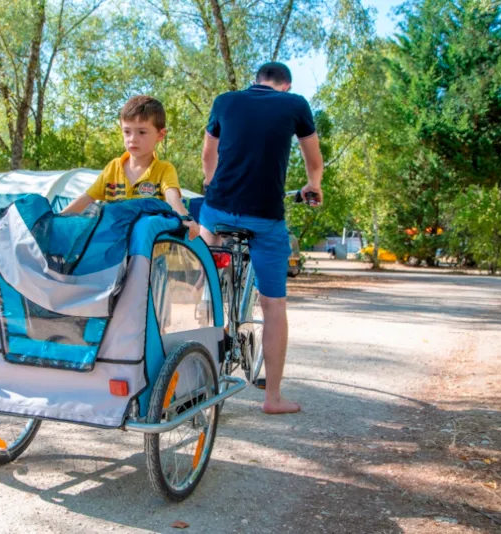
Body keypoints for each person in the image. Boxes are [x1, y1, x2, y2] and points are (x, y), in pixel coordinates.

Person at [200, 62, 324, 414]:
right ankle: (273, 399)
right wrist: (313, 186)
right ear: (285, 86)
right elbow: (313, 161)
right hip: (266, 216)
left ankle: (199, 357)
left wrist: (212, 183)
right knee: (273, 306)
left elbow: (209, 155)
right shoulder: (295, 104)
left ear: (256, 82)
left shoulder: (225, 101)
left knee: (205, 282)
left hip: (218, 210)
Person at [62, 95, 200, 239]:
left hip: (151, 250)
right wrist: (57, 219)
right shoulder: (113, 168)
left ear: (160, 134)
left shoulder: (164, 169)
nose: (133, 139)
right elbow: (87, 198)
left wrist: (185, 218)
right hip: (113, 249)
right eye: (127, 131)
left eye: (142, 132)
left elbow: (172, 197)